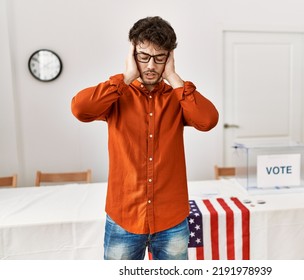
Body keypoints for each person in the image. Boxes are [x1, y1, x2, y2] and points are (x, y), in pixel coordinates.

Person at [71, 16, 219, 260]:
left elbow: (208, 120)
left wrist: (173, 78)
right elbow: (80, 109)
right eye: (143, 56)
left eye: (159, 58)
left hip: (172, 219)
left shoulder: (178, 97)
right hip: (124, 218)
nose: (151, 65)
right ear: (132, 53)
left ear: (169, 58)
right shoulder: (116, 94)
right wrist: (126, 77)